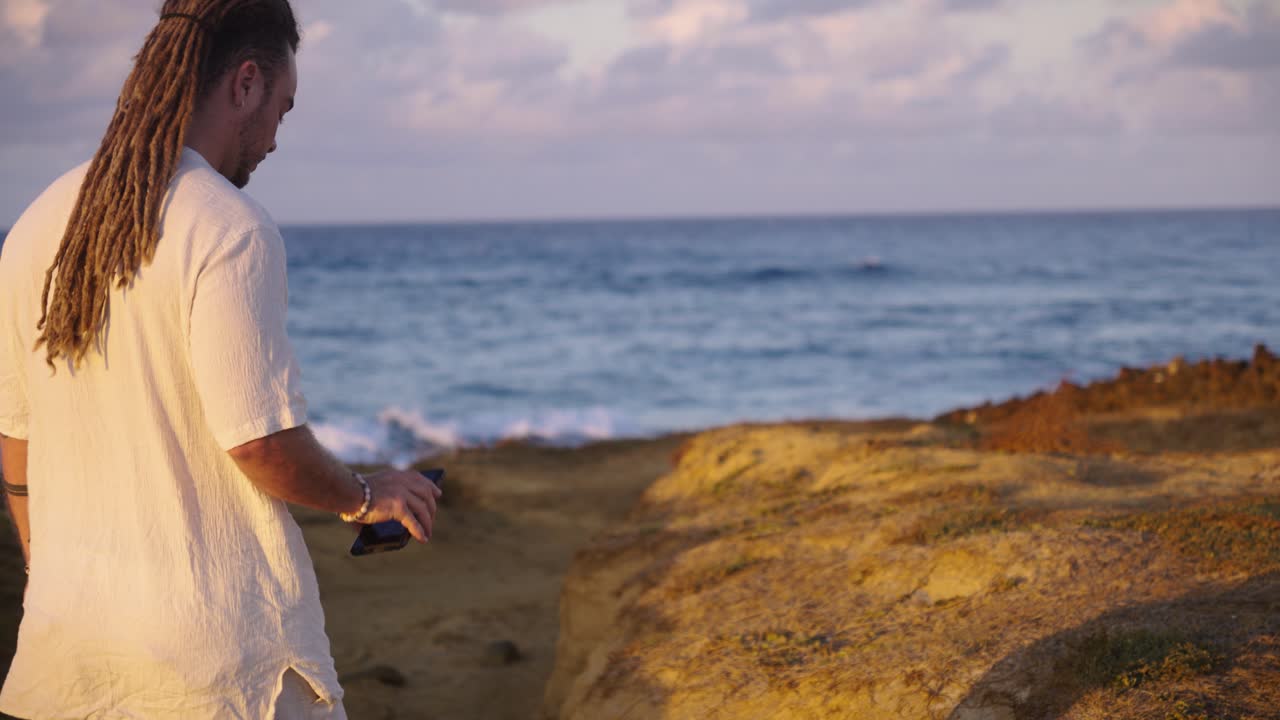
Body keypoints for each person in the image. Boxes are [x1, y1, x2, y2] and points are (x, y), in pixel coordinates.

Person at [0, 1, 442, 717]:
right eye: (282, 109)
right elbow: (258, 442)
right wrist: (366, 496)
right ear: (245, 83)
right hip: (219, 672)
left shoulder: (37, 224)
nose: (275, 140)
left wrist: (43, 572)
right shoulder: (229, 228)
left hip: (64, 665)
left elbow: (17, 441)